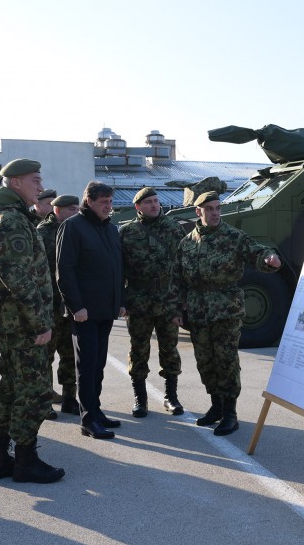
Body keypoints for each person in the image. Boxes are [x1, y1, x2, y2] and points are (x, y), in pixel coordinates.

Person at [0, 159, 63, 484]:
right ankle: (26, 460)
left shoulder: (6, 218)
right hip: (23, 325)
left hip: (13, 323)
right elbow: (17, 278)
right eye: (35, 180)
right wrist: (41, 322)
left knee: (12, 387)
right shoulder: (12, 222)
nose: (40, 187)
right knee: (35, 391)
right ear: (15, 183)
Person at [172, 191, 281, 436]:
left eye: (218, 208)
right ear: (198, 212)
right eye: (209, 209)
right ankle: (216, 407)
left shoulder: (233, 236)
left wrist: (269, 259)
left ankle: (230, 414)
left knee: (226, 361)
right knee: (205, 361)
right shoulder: (187, 243)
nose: (215, 213)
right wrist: (177, 309)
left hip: (226, 309)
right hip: (199, 311)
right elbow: (177, 280)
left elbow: (257, 252)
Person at [56, 181, 125, 440]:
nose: (109, 207)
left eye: (110, 201)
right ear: (89, 202)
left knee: (98, 365)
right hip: (84, 312)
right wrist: (76, 306)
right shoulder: (72, 227)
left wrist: (121, 301)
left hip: (106, 310)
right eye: (103, 202)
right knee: (86, 366)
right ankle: (87, 421)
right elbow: (65, 271)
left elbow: (118, 268)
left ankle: (95, 412)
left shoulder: (110, 229)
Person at [119, 186, 184, 417]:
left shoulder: (173, 228)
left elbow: (182, 268)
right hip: (139, 302)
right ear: (138, 207)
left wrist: (180, 304)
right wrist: (122, 301)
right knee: (138, 350)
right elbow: (119, 270)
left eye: (156, 201)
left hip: (168, 301)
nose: (154, 205)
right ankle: (140, 398)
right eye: (148, 202)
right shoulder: (127, 232)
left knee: (170, 349)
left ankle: (171, 397)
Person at [37, 194, 79, 414]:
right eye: (71, 209)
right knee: (46, 355)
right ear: (57, 211)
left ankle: (70, 397)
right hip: (50, 306)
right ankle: (45, 400)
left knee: (70, 353)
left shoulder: (77, 231)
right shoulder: (41, 234)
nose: (76, 213)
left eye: (77, 209)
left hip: (71, 305)